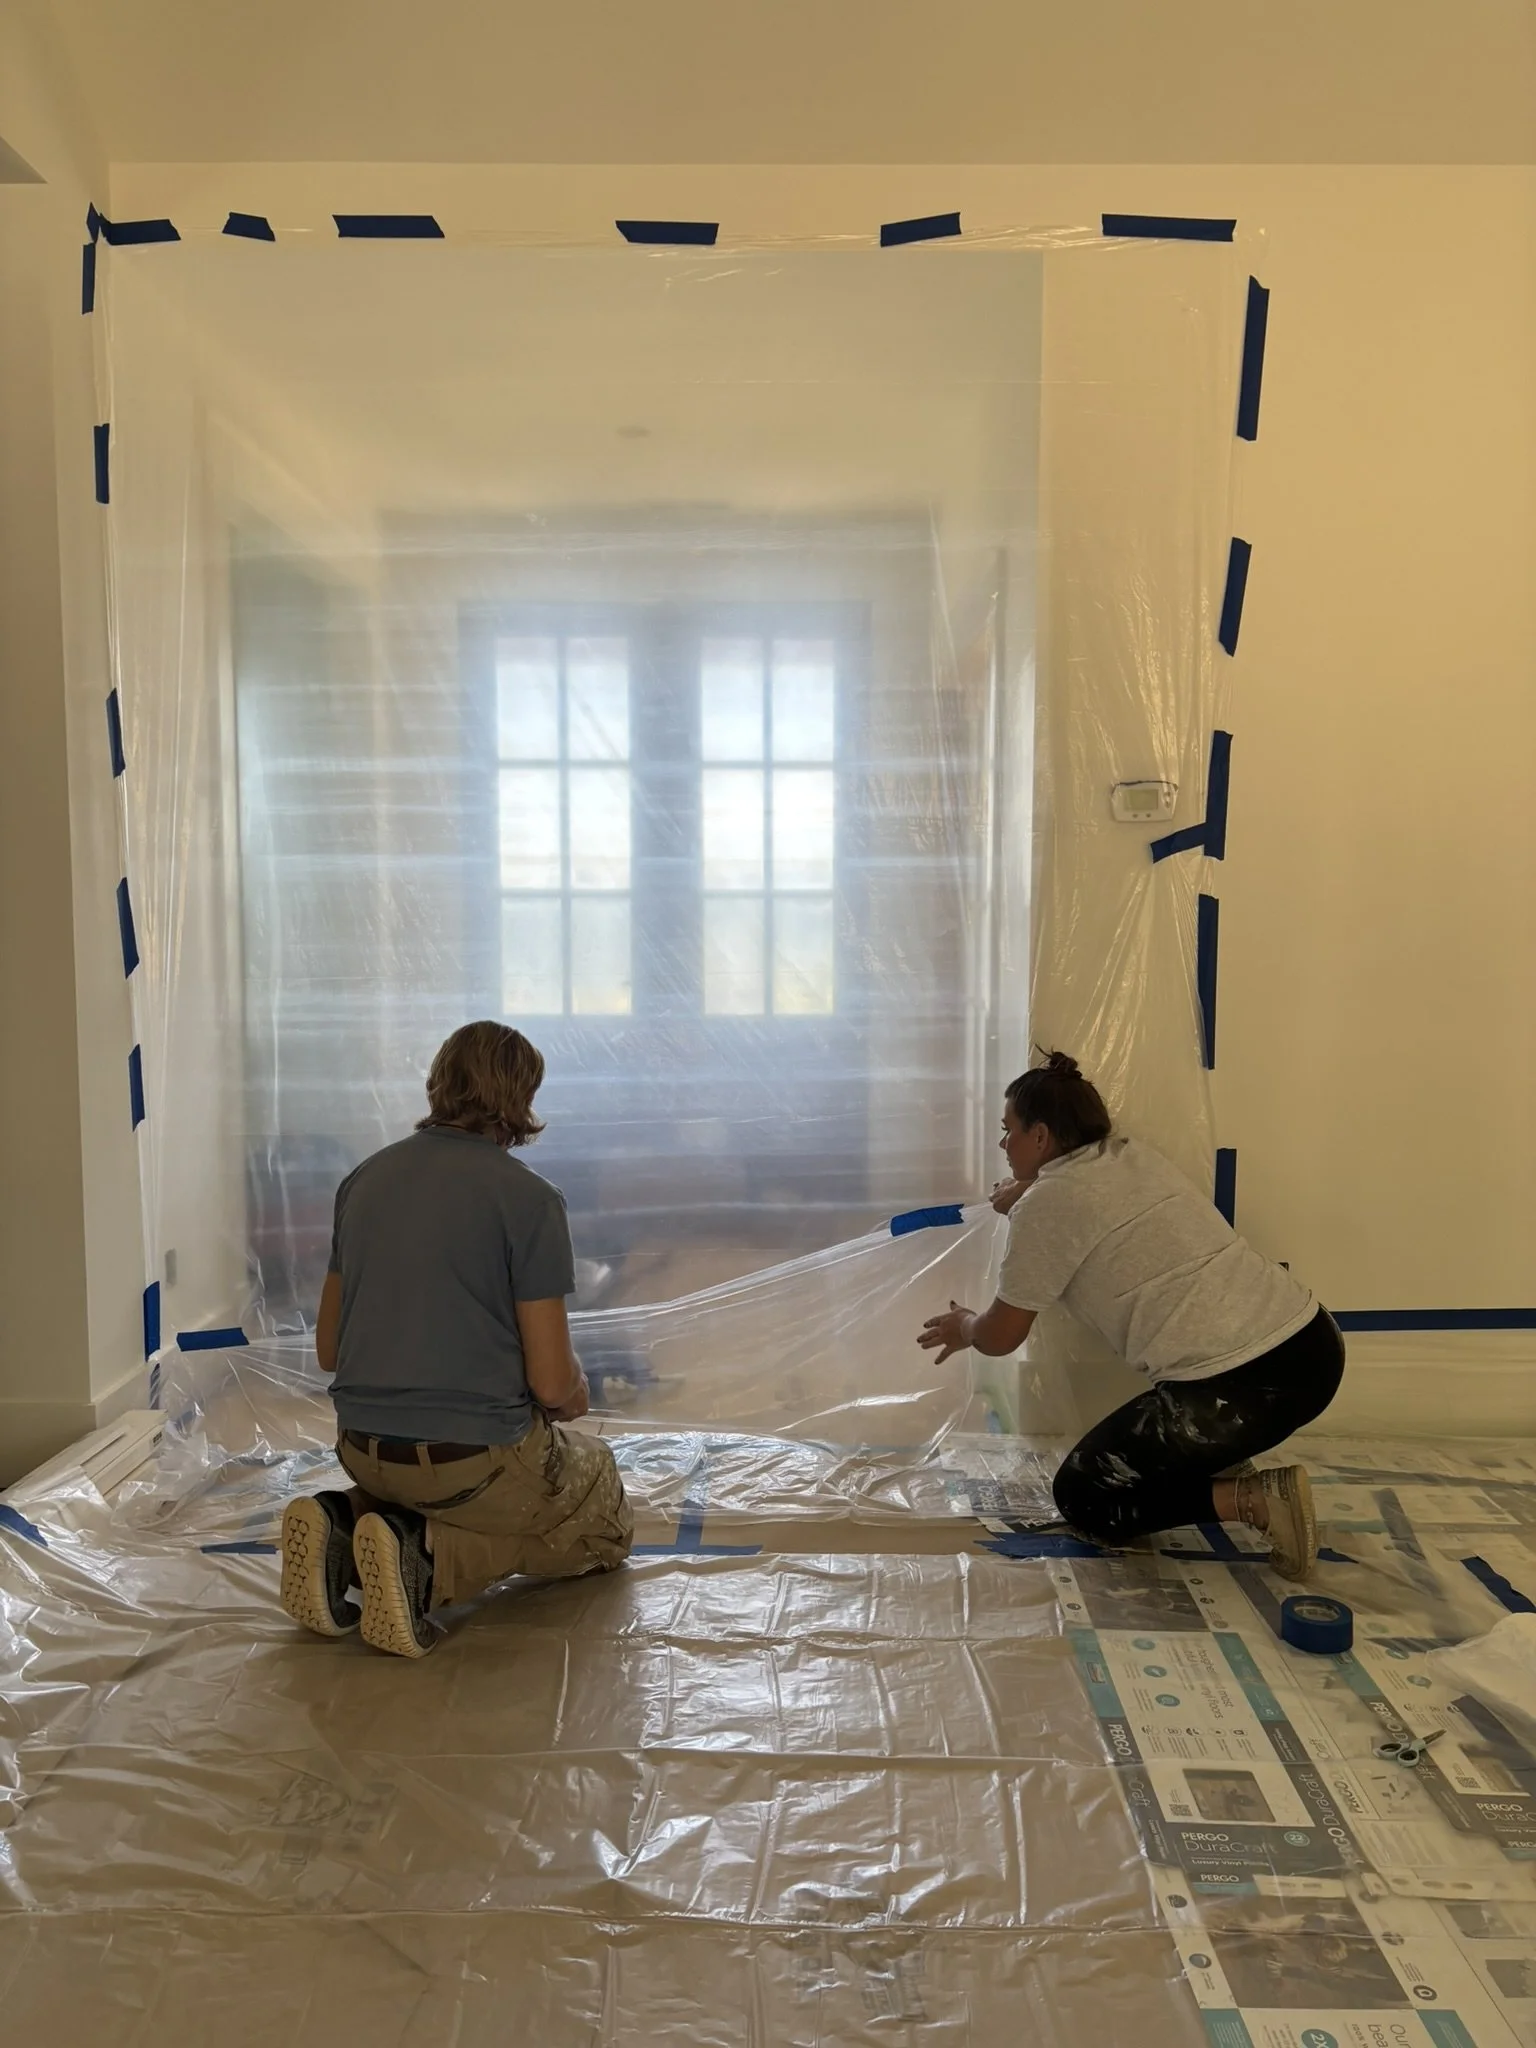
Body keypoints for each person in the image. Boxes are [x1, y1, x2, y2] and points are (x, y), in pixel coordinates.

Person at [279, 1020, 633, 1658]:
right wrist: (574, 1398)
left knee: (415, 1493)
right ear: (523, 1097)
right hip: (469, 1462)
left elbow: (330, 1352)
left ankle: (343, 1524)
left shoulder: (361, 1182)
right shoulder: (529, 1199)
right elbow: (552, 1384)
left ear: (439, 1083)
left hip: (361, 1447)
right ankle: (426, 1560)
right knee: (597, 1516)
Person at [918, 1052, 1344, 1578]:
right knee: (1153, 1447)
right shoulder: (1127, 1154)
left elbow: (1003, 1335)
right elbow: (1078, 1197)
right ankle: (1222, 1455)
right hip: (1312, 1343)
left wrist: (963, 1327)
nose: (1003, 1145)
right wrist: (1028, 1190)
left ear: (1042, 1137)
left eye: (1008, 1131)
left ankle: (1254, 1498)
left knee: (1086, 1496)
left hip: (1243, 1384)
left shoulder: (1046, 1207)